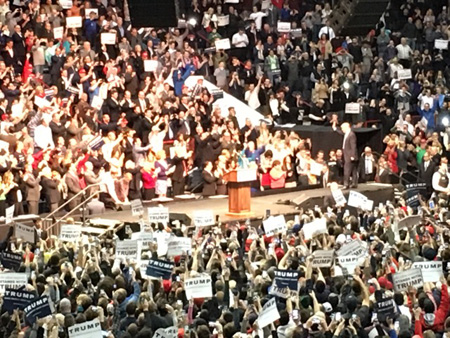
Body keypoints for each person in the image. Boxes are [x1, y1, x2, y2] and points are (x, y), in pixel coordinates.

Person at [334, 122, 358, 188]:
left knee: (347, 169)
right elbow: (341, 133)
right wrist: (335, 129)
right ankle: (354, 183)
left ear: (346, 127)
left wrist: (352, 155)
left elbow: (353, 145)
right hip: (347, 153)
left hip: (350, 155)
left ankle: (346, 184)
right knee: (353, 169)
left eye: (342, 128)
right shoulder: (347, 133)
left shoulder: (351, 134)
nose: (342, 130)